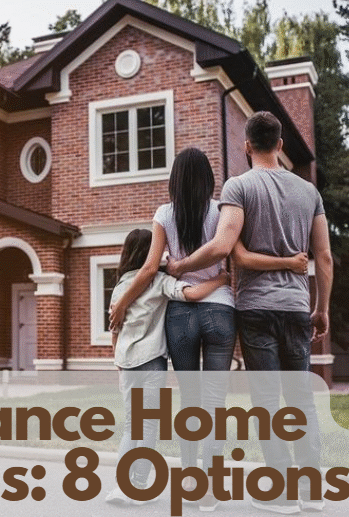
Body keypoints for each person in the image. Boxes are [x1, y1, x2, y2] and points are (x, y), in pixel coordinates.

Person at [109, 147, 307, 511]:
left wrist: (122, 302)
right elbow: (235, 255)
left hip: (181, 315)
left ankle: (191, 484)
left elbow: (150, 269)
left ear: (174, 180)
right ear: (209, 179)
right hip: (220, 310)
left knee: (190, 401)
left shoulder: (164, 214)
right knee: (214, 403)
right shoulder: (222, 210)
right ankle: (210, 490)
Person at [166, 112, 333, 514]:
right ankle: (311, 490)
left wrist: (179, 266)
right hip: (296, 307)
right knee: (301, 399)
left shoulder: (238, 186)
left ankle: (281, 493)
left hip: (256, 307)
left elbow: (225, 248)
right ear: (280, 145)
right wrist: (321, 308)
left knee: (267, 400)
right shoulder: (309, 191)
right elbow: (324, 257)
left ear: (246, 146)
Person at [105, 228, 229, 506]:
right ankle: (137, 485)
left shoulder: (121, 286)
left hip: (126, 363)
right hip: (151, 362)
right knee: (148, 426)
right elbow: (192, 294)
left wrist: (118, 361)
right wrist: (221, 279)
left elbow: (115, 330)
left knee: (131, 427)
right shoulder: (159, 282)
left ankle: (122, 486)